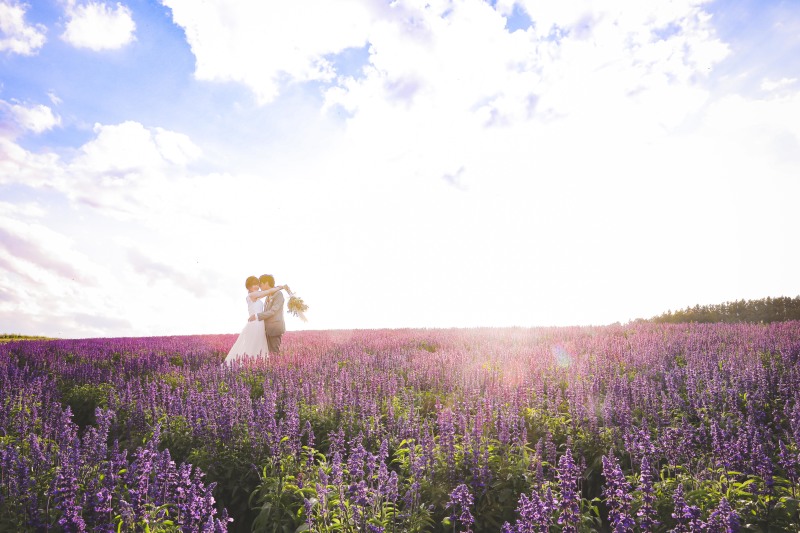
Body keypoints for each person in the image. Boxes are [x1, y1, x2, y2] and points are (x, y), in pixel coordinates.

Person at [225, 276, 285, 363]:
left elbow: (271, 307)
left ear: (266, 283)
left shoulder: (260, 295)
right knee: (254, 346)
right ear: (249, 286)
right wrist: (279, 287)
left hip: (264, 325)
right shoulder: (252, 295)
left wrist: (276, 289)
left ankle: (261, 365)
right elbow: (267, 291)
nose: (257, 286)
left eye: (258, 284)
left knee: (263, 348)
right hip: (256, 324)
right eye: (254, 284)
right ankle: (251, 365)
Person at [249, 274, 286, 354]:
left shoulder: (278, 294)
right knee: (268, 353)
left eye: (260, 284)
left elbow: (273, 311)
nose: (259, 287)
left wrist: (257, 316)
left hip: (275, 328)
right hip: (267, 329)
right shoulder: (267, 296)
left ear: (266, 283)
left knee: (274, 352)